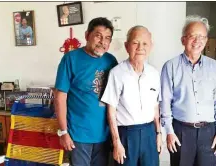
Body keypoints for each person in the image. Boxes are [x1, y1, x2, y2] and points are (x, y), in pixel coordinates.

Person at [160, 15, 216, 166]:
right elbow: (165, 102)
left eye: (202, 36)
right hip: (181, 131)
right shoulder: (170, 66)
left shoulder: (214, 66)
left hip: (209, 132)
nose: (197, 40)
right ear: (183, 40)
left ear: (206, 40)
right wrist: (169, 131)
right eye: (192, 36)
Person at [54, 17, 118, 166]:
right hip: (78, 135)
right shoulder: (70, 59)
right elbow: (59, 98)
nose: (103, 42)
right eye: (98, 36)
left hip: (104, 134)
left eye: (107, 38)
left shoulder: (111, 61)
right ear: (87, 35)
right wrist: (63, 132)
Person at [101, 25, 162, 166]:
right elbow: (111, 111)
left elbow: (155, 107)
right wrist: (116, 142)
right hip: (126, 134)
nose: (140, 47)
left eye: (145, 43)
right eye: (135, 42)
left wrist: (159, 134)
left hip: (149, 133)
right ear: (127, 46)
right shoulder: (117, 73)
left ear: (151, 46)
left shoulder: (154, 73)